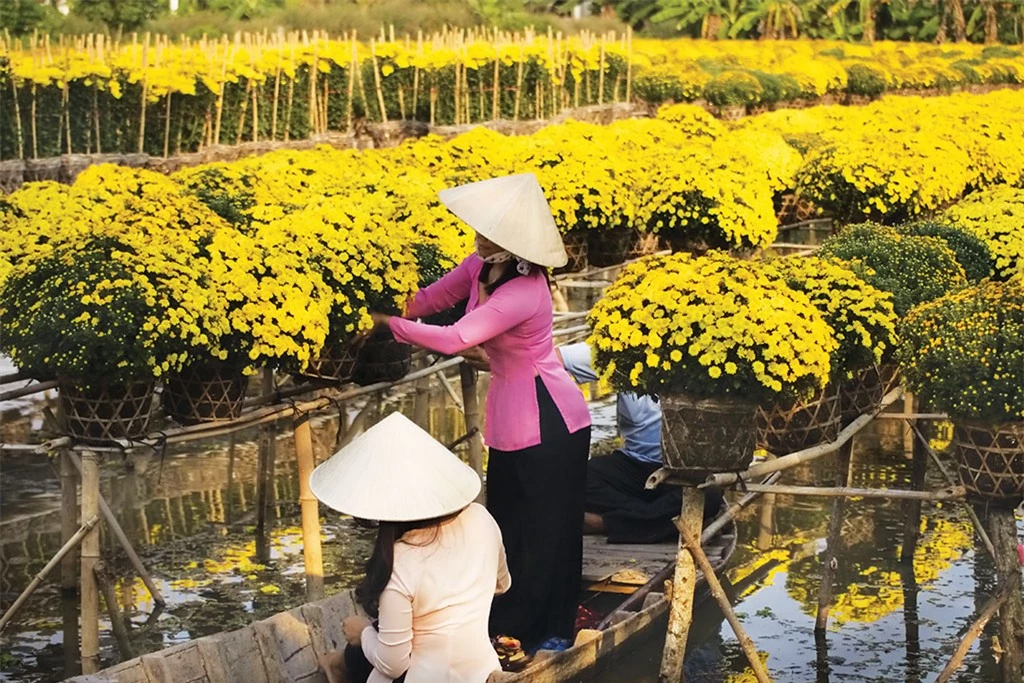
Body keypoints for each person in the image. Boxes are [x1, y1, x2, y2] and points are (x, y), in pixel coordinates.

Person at [369, 173, 592, 653]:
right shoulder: (479, 266)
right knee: (507, 523)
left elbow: (455, 337)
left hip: (550, 420)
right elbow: (432, 300)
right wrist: (376, 308)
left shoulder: (524, 291)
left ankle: (548, 627)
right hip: (511, 418)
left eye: (489, 231)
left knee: (548, 528)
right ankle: (504, 620)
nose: (478, 234)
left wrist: (391, 327)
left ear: (513, 244)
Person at [310, 412, 510, 683]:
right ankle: (339, 663)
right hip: (481, 671)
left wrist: (363, 633)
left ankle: (338, 664)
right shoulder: (481, 518)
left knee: (372, 644)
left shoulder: (401, 561)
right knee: (383, 636)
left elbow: (393, 665)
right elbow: (501, 584)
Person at [557, 343, 725, 544]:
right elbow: (549, 358)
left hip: (686, 469)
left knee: (710, 494)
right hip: (634, 464)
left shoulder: (705, 352)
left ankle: (604, 523)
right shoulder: (623, 348)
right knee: (569, 477)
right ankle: (661, 519)